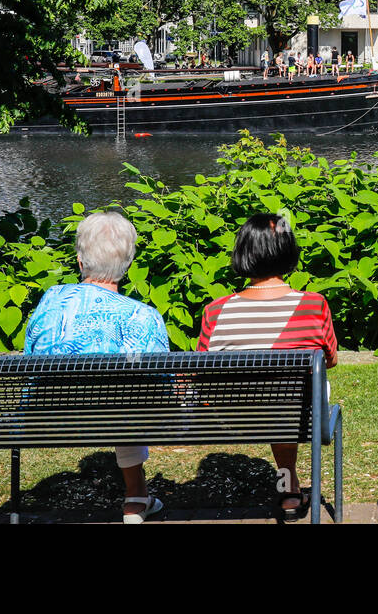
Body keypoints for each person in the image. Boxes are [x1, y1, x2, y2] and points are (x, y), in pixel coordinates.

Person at [24, 211, 168, 524]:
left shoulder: (51, 300)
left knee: (125, 399)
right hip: (120, 411)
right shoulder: (142, 317)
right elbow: (161, 387)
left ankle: (137, 496)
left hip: (48, 414)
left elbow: (31, 359)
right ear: (128, 264)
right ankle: (135, 498)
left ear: (79, 260)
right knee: (130, 400)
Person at [197, 214, 337, 521]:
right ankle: (288, 489)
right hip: (296, 410)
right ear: (289, 251)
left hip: (231, 417)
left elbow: (199, 369)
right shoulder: (314, 305)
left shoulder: (216, 311)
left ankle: (289, 488)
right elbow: (329, 361)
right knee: (292, 395)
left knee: (274, 397)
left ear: (243, 253)